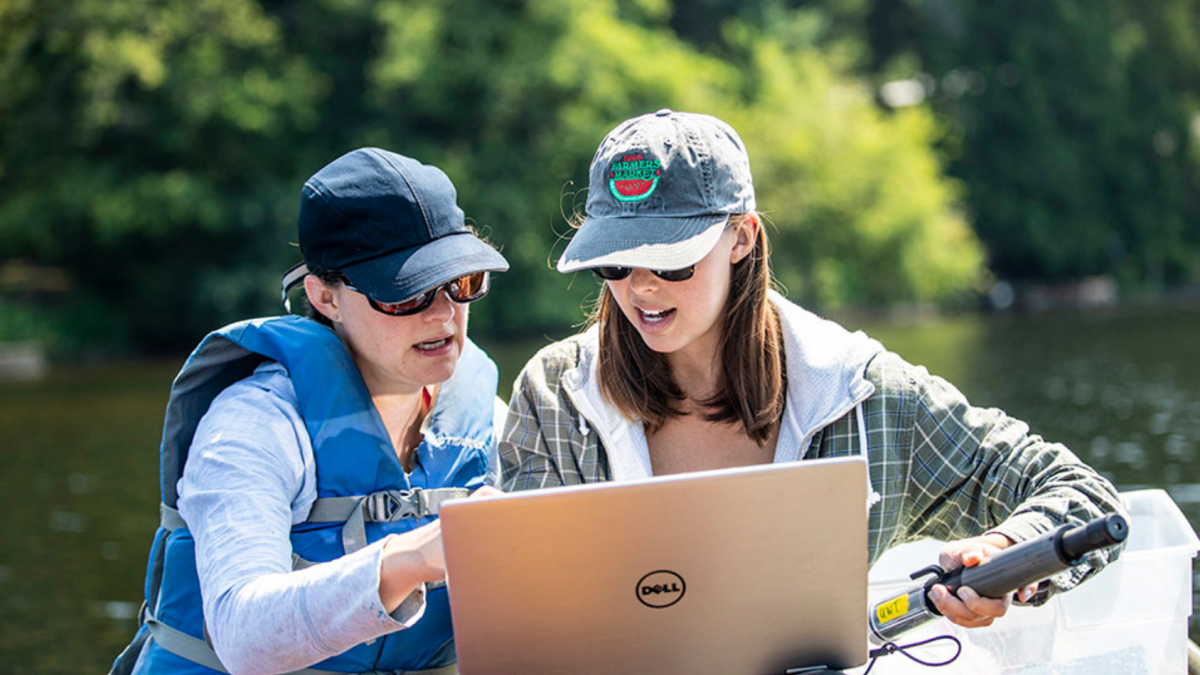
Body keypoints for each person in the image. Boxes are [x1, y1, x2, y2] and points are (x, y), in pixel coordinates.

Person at [499, 109, 1125, 632]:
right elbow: (524, 608)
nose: (639, 289)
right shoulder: (554, 397)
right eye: (613, 264)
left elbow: (1082, 493)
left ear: (741, 238)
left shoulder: (869, 394)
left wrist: (1010, 550)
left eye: (669, 260)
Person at [111, 148, 510, 675]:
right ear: (325, 297)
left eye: (461, 284)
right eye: (403, 295)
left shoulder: (492, 423)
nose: (442, 315)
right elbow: (242, 634)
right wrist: (410, 560)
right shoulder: (253, 425)